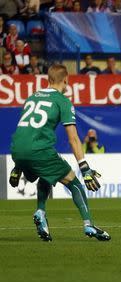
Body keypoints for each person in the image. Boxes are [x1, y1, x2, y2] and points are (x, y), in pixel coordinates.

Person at [8, 64, 110, 242]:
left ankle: (41, 211)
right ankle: (88, 224)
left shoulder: (32, 98)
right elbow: (73, 139)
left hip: (17, 150)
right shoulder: (63, 101)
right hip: (39, 151)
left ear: (48, 79)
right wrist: (85, 168)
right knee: (75, 183)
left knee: (47, 175)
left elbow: (25, 131)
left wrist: (18, 166)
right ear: (66, 80)